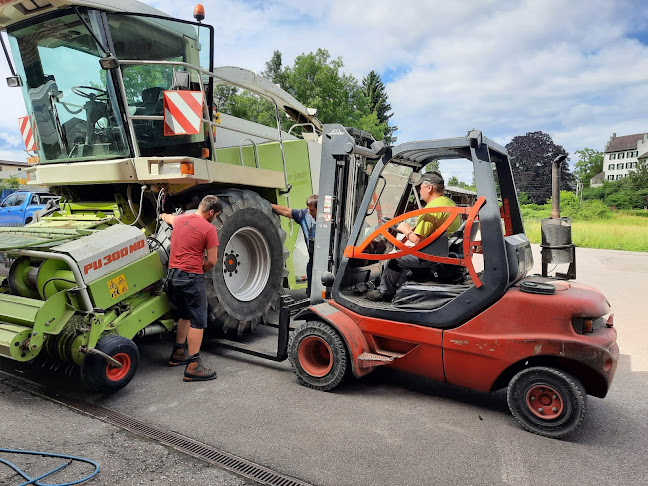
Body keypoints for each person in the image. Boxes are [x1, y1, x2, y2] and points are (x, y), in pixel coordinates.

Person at [367, 172, 461, 301]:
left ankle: (385, 293)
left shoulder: (430, 210)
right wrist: (409, 230)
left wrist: (406, 230)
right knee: (404, 256)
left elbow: (417, 240)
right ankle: (399, 288)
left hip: (431, 257)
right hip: (445, 254)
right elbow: (433, 231)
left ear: (429, 188)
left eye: (420, 186)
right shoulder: (450, 204)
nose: (419, 190)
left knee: (394, 260)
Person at [159, 195, 222, 382]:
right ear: (211, 212)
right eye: (216, 215)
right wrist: (198, 271)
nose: (215, 218)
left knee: (184, 314)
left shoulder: (180, 220)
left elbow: (168, 217)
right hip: (191, 277)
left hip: (173, 276)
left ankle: (178, 352)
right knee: (198, 320)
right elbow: (212, 261)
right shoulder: (209, 229)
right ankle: (193, 365)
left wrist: (162, 215)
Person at [271, 194, 317, 296]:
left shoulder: (329, 219)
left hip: (327, 262)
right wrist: (268, 205)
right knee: (311, 292)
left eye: (312, 210)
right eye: (308, 209)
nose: (309, 212)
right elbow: (287, 212)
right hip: (313, 262)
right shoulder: (304, 215)